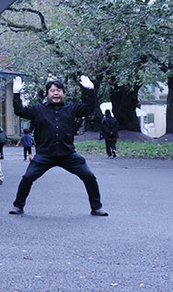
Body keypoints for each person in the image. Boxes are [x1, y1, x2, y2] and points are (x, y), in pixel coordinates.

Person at [10, 76, 108, 216]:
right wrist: (16, 93)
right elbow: (19, 111)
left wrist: (90, 90)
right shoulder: (38, 109)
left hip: (68, 154)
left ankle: (96, 207)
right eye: (52, 91)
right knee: (27, 177)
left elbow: (88, 108)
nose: (56, 93)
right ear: (47, 94)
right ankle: (18, 206)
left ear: (63, 93)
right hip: (44, 155)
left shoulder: (71, 108)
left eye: (59, 90)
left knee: (89, 176)